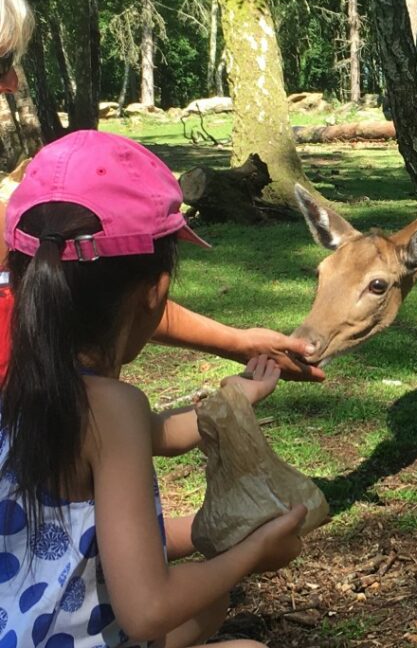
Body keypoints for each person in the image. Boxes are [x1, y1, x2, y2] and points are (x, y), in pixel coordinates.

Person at [0, 130, 307, 647]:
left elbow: (155, 435)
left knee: (207, 602)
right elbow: (147, 610)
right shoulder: (112, 407)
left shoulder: (25, 381)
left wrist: (237, 397)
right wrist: (253, 551)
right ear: (155, 292)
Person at [0, 0, 323, 382]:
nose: (11, 81)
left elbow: (109, 296)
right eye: (2, 61)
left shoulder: (15, 224)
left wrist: (236, 343)